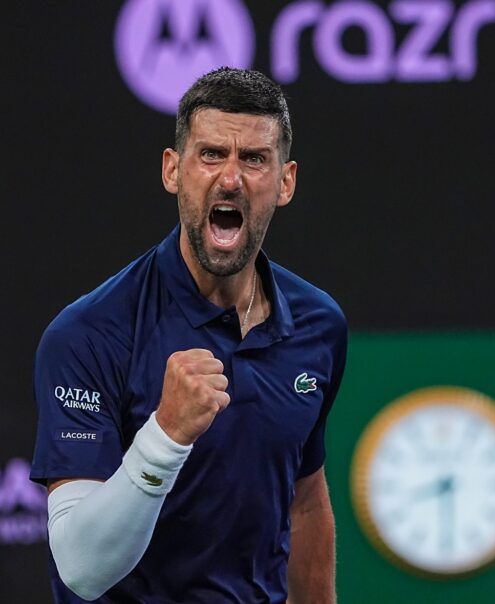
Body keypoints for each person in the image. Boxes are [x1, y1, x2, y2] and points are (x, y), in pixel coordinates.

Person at [30, 67, 347, 603]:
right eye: (210, 154)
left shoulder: (319, 324)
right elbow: (82, 568)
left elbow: (305, 496)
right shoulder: (87, 335)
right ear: (172, 170)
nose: (230, 179)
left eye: (253, 159)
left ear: (285, 181)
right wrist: (165, 436)